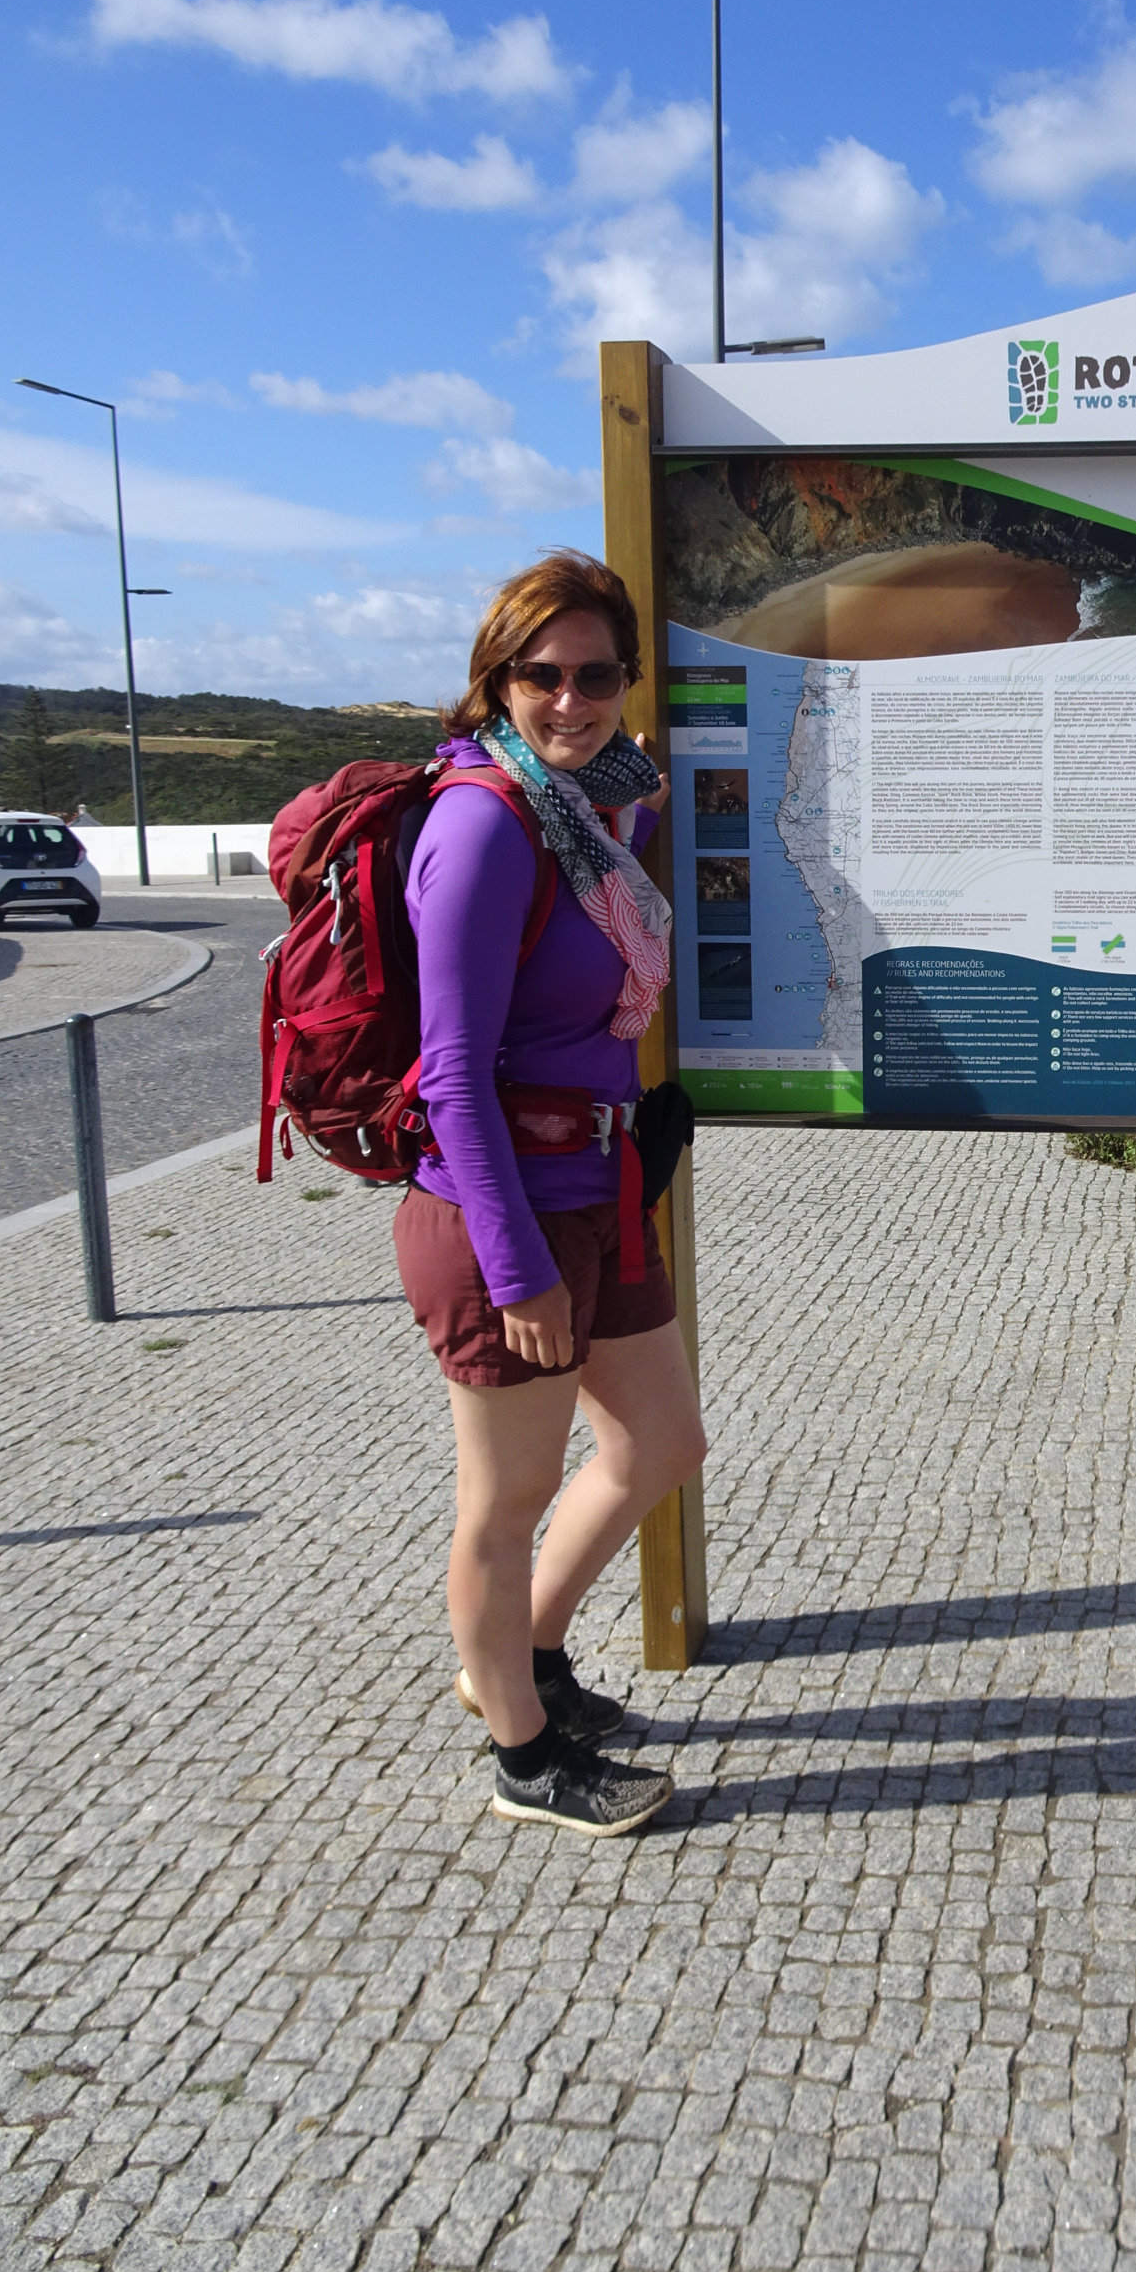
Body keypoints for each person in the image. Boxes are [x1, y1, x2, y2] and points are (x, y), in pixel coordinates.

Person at [395, 550, 708, 1838]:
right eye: (542, 676)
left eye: (594, 675)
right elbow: (452, 1074)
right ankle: (525, 1757)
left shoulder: (596, 809)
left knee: (660, 1445)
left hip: (601, 1176)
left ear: (626, 681)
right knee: (506, 1501)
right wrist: (517, 1268)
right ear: (497, 682)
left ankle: (517, 1661)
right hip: (498, 1214)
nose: (570, 700)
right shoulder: (482, 821)